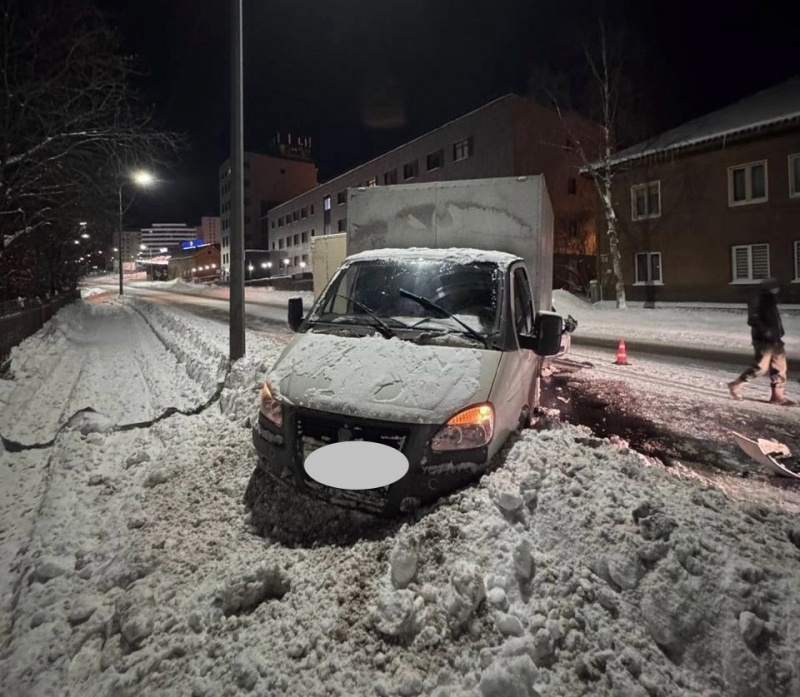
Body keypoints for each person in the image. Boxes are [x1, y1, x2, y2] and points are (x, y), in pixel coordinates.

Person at [728, 277, 796, 406]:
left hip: (776, 339)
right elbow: (752, 319)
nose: (776, 290)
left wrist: (778, 333)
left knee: (780, 368)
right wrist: (766, 331)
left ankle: (777, 396)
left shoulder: (771, 300)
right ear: (768, 288)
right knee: (760, 367)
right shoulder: (757, 299)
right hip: (763, 340)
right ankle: (736, 385)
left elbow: (775, 320)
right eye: (774, 287)